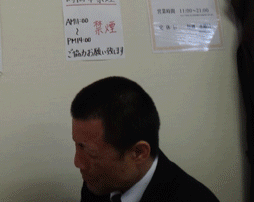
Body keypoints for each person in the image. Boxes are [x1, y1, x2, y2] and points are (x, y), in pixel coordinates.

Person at [71, 76, 220, 202]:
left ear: (138, 152)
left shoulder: (194, 198)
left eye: (90, 152)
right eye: (78, 145)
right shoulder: (98, 185)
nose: (78, 163)